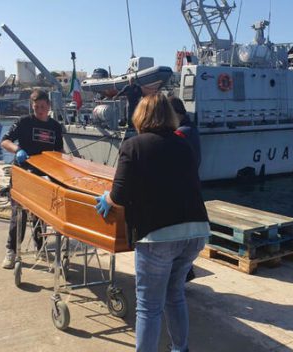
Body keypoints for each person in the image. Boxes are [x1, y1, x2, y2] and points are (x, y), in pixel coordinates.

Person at [95, 93, 210, 352]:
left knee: (148, 306)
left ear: (140, 116)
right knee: (175, 294)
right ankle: (181, 349)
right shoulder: (184, 144)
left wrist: (106, 199)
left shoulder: (133, 146)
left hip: (158, 236)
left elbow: (120, 195)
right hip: (194, 232)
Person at [0, 89, 64, 269]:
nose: (40, 111)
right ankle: (11, 251)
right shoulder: (23, 122)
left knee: (40, 214)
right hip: (23, 173)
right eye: (36, 107)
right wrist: (17, 150)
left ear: (49, 106)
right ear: (32, 106)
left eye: (43, 107)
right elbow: (5, 141)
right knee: (18, 214)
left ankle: (40, 247)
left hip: (43, 175)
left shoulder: (55, 127)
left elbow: (59, 151)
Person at [168, 96, 202, 283]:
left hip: (179, 190)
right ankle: (186, 271)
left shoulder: (180, 134)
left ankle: (183, 273)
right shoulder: (192, 130)